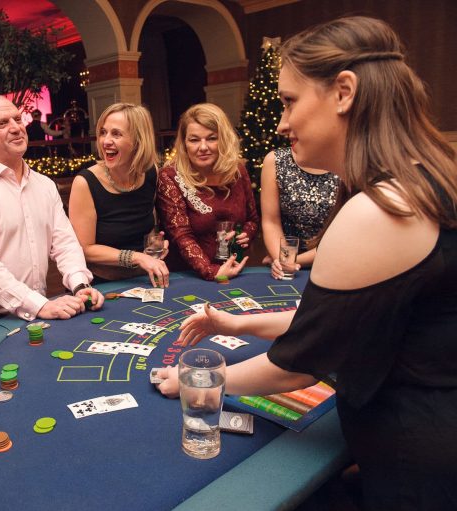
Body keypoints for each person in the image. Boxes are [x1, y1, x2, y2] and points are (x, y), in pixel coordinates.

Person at [155, 16, 457, 509]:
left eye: (290, 101)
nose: (281, 123)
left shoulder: (379, 210)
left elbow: (297, 366)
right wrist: (237, 322)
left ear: (344, 92)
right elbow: (340, 321)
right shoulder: (425, 180)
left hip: (417, 461)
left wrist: (201, 381)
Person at [0, 94, 104, 341]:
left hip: (37, 308)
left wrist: (80, 284)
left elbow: (64, 242)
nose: (16, 127)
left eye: (17, 119)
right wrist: (40, 306)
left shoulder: (44, 184)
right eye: (2, 123)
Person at [68, 102, 169, 288]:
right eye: (103, 132)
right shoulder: (85, 182)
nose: (105, 141)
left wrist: (157, 242)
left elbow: (148, 223)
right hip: (102, 283)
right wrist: (137, 257)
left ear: (138, 140)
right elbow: (84, 249)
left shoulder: (150, 172)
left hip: (145, 277)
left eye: (116, 134)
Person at [157, 103, 258, 281]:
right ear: (184, 143)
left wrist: (246, 234)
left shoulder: (238, 171)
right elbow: (181, 235)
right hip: (186, 276)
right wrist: (211, 271)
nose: (203, 147)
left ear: (223, 140)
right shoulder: (170, 176)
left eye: (211, 138)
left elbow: (252, 219)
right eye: (194, 140)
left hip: (233, 270)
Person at [260, 146, 339, 279]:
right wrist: (284, 261)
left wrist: (293, 261)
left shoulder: (349, 161)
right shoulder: (276, 159)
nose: (282, 128)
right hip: (287, 269)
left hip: (337, 264)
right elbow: (271, 222)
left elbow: (347, 236)